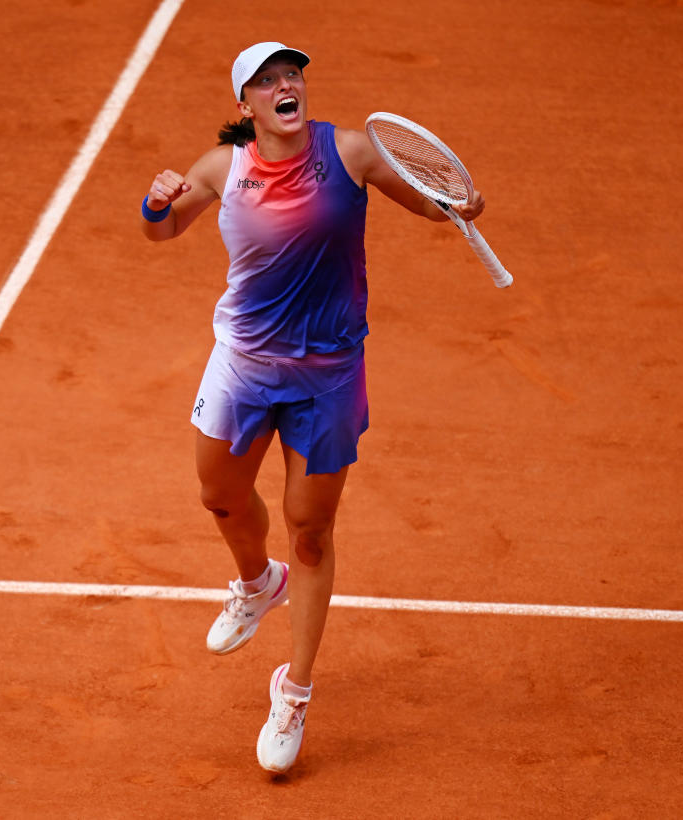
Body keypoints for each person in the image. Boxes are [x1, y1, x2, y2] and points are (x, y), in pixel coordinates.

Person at [139, 41, 485, 773]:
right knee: (220, 496)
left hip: (329, 375)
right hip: (242, 365)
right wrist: (157, 200)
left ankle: (294, 691)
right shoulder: (220, 169)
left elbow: (426, 203)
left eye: (291, 74)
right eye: (266, 82)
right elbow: (162, 231)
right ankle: (257, 584)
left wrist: (457, 204)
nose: (284, 86)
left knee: (312, 530)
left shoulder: (351, 152)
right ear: (247, 107)